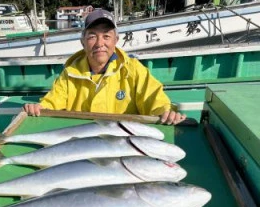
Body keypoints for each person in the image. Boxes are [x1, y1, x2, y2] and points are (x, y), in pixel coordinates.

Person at [23, 9, 186, 125]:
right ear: (83, 42)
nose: (100, 44)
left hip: (123, 142)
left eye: (106, 36)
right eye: (92, 36)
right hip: (81, 142)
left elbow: (153, 97)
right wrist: (40, 108)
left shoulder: (134, 70)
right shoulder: (70, 74)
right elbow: (53, 101)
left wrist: (164, 112)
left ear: (116, 40)